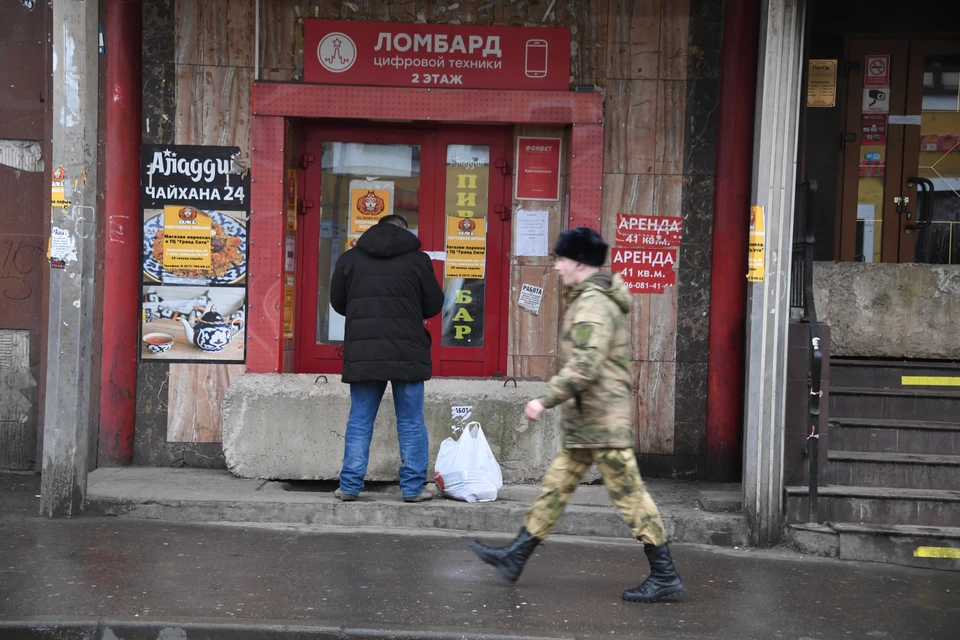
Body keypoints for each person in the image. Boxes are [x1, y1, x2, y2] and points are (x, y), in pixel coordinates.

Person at [469, 227, 684, 603]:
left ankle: (664, 574)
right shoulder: (588, 298)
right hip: (588, 421)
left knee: (629, 496)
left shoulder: (593, 304)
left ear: (580, 263)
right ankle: (516, 556)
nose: (556, 268)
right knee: (555, 488)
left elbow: (586, 365)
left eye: (561, 260)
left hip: (602, 421)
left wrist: (544, 399)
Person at [330, 214, 445, 503]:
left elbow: (338, 303)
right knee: (411, 422)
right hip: (407, 351)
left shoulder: (349, 259)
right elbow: (434, 304)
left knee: (359, 420)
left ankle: (350, 486)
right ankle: (413, 488)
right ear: (405, 232)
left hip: (364, 352)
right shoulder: (418, 261)